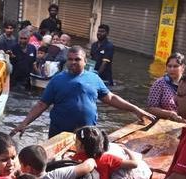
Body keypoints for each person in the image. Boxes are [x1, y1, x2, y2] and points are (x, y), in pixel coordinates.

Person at [11, 46, 154, 138]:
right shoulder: (57, 80)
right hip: (60, 134)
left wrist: (136, 110)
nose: (73, 62)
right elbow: (42, 105)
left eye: (77, 59)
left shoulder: (94, 78)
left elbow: (110, 98)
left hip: (87, 134)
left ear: (85, 61)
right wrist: (24, 123)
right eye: (70, 59)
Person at [72, 126, 142, 179]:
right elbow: (134, 164)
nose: (74, 144)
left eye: (76, 142)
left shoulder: (75, 158)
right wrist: (128, 151)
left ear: (82, 146)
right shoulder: (107, 158)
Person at [147, 52, 186, 123]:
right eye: (169, 66)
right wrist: (171, 114)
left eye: (175, 66)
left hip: (184, 122)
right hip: (162, 124)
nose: (172, 69)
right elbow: (151, 109)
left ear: (183, 67)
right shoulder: (159, 83)